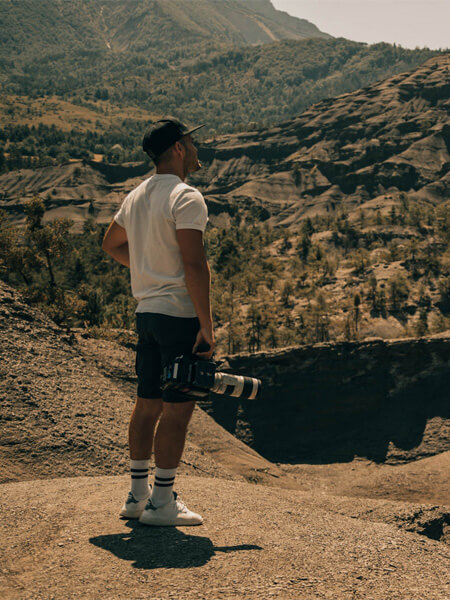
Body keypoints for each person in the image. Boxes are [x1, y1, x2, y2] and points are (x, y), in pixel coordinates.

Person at [102, 117, 215, 526]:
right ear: (180, 148)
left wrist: (146, 271)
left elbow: (110, 243)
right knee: (178, 410)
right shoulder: (186, 196)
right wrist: (206, 324)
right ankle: (162, 501)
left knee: (146, 403)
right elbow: (193, 263)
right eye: (192, 141)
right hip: (178, 315)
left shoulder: (136, 196)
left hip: (146, 313)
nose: (197, 148)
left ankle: (137, 497)